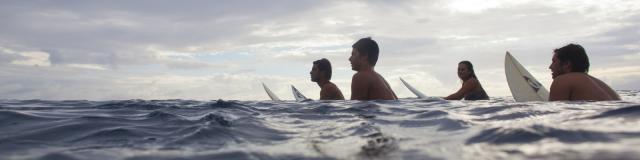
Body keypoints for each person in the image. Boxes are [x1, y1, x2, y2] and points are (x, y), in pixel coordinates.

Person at [548, 44, 620, 101]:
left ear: (566, 64)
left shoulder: (562, 81)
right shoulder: (603, 86)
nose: (550, 67)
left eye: (554, 62)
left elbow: (555, 116)